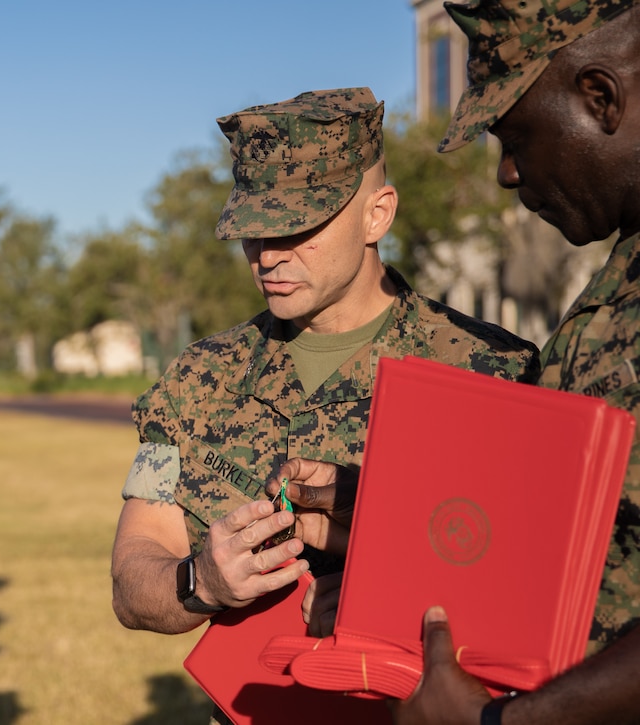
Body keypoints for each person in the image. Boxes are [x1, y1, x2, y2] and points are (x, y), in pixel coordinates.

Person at [108, 88, 541, 722]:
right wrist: (202, 580)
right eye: (253, 229)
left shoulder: (492, 373)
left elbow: (536, 595)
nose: (270, 254)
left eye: (299, 225)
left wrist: (388, 612)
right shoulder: (200, 377)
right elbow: (131, 579)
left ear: (377, 215)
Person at [388, 1, 640, 723]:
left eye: (514, 135)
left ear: (600, 98)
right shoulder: (619, 273)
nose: (505, 173)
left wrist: (502, 722)